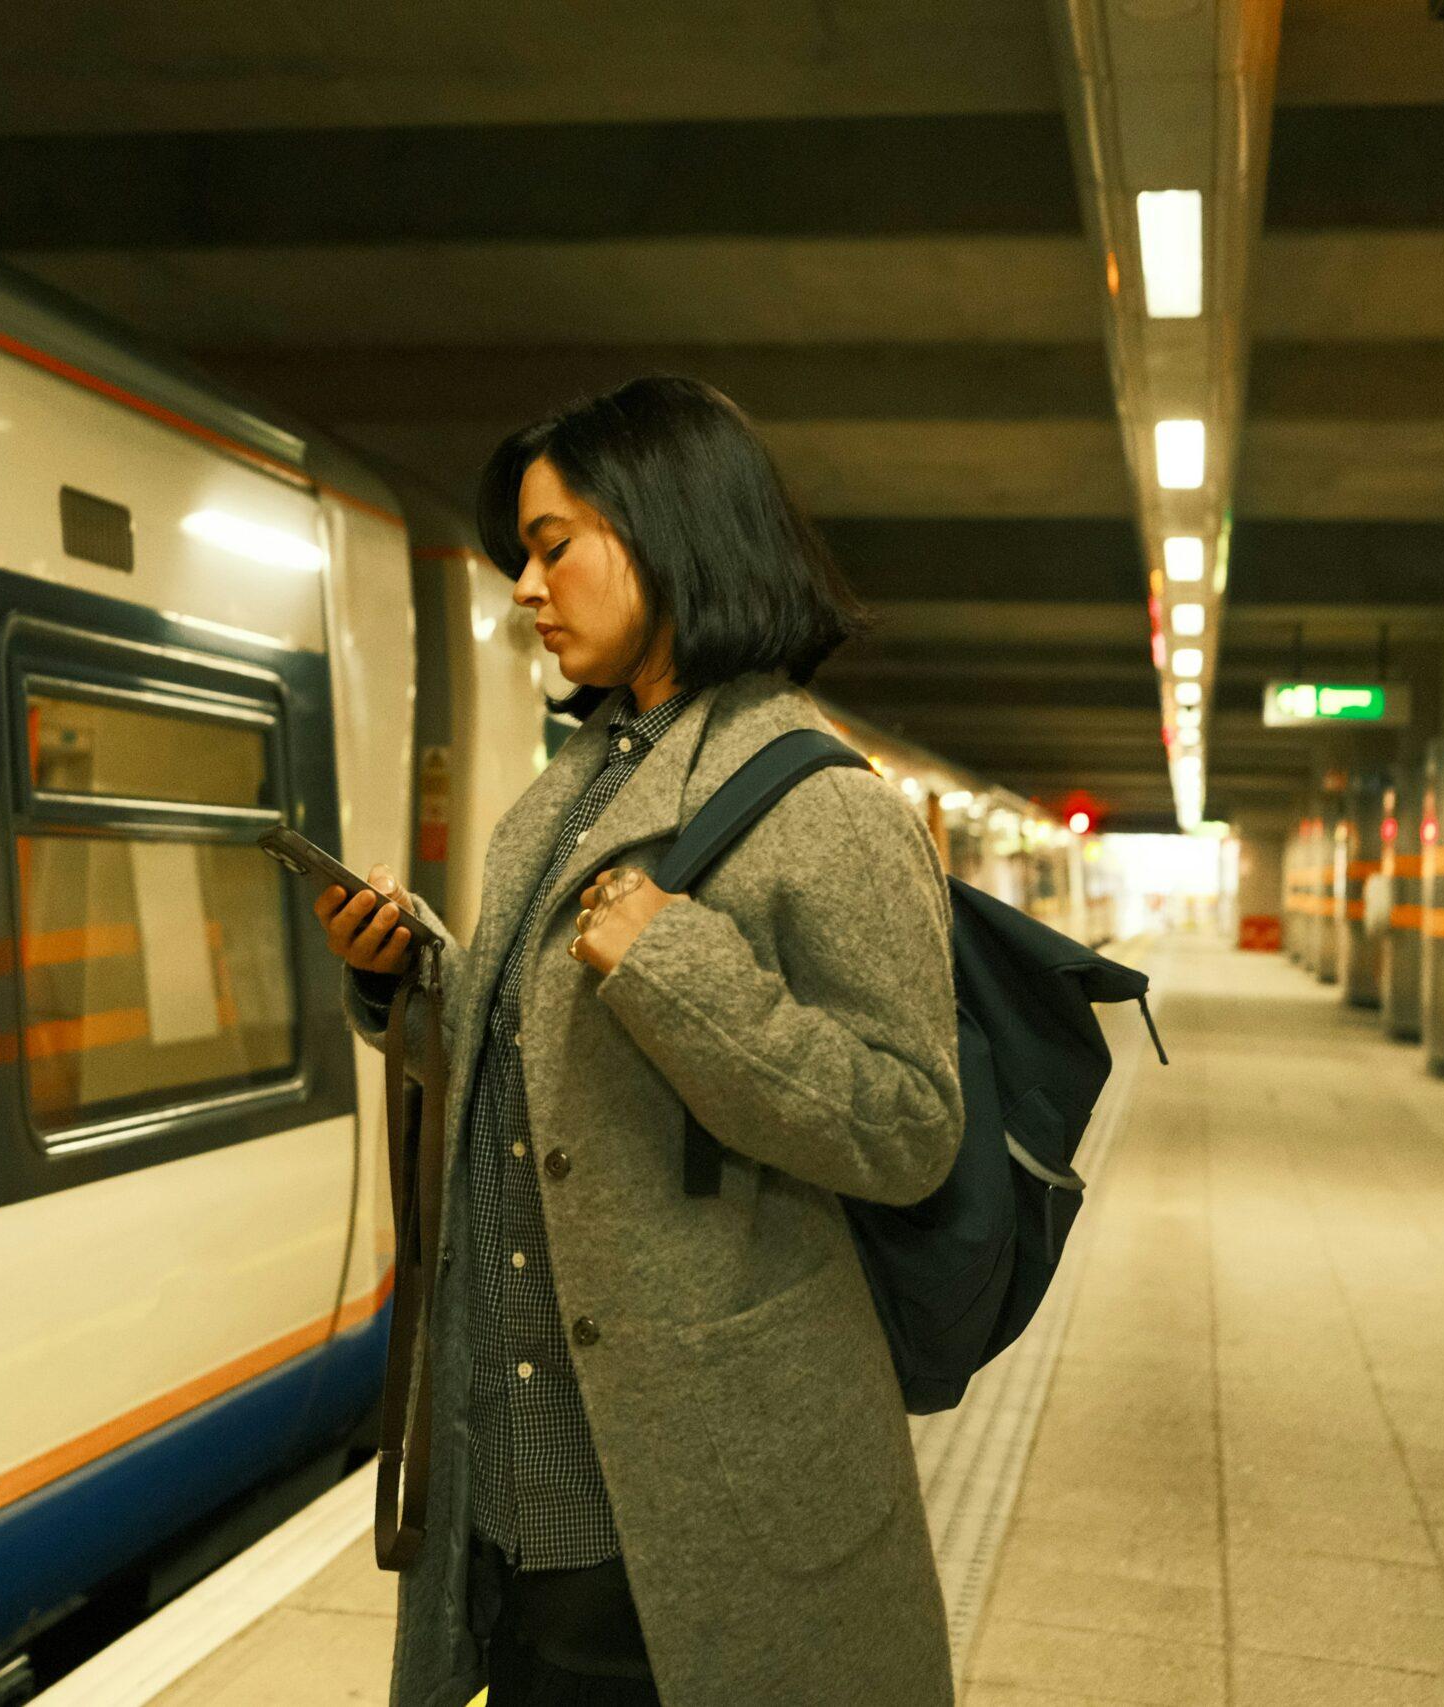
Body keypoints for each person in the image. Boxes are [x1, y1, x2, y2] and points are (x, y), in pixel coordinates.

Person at [313, 376, 966, 1707]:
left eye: (554, 546)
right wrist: (410, 984)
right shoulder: (561, 798)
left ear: (669, 529)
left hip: (688, 1511)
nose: (526, 590)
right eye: (520, 558)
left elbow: (907, 1128)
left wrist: (676, 967)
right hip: (518, 1489)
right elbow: (542, 1080)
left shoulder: (823, 804)